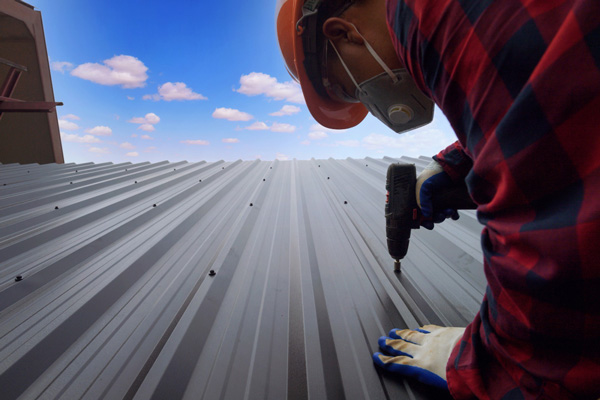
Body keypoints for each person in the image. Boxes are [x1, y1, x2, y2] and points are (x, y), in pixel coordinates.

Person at [276, 0, 600, 398]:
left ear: (343, 33)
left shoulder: (442, 21)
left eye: (349, 86)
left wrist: (490, 360)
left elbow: (564, 237)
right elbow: (557, 91)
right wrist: (459, 163)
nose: (368, 100)